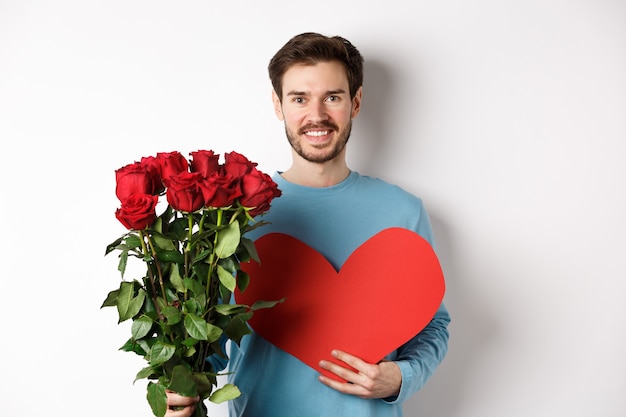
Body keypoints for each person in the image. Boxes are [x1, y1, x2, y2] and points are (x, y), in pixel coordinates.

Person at [166, 32, 451, 417]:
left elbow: (431, 323)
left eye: (332, 97)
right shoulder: (235, 216)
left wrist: (401, 377)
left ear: (356, 102)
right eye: (299, 98)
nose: (316, 115)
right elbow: (210, 338)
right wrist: (180, 388)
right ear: (278, 105)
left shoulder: (402, 211)